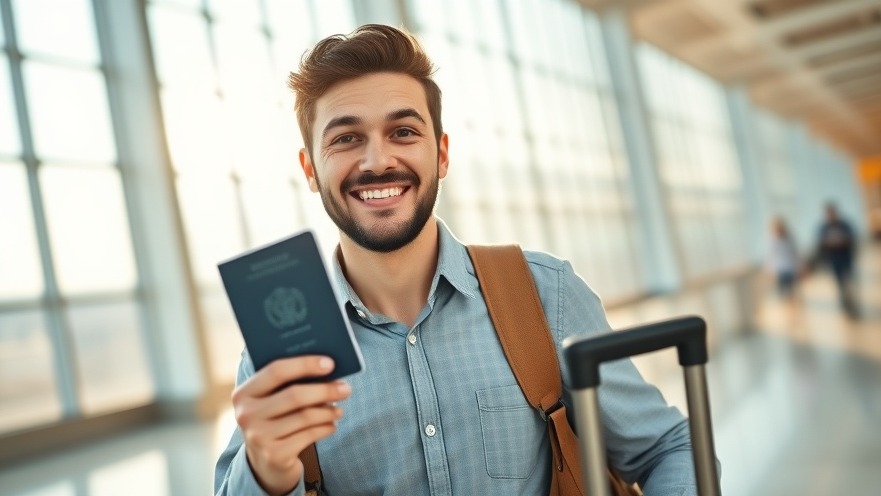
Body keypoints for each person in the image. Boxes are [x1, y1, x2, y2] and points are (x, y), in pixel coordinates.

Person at [214, 24, 704, 496]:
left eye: (403, 131)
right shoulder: (280, 355)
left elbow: (667, 447)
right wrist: (265, 473)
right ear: (310, 169)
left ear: (442, 155)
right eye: (346, 138)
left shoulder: (543, 294)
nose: (377, 161)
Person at [815, 202, 858, 318]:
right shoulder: (823, 228)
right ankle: (845, 305)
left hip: (846, 259)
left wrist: (842, 240)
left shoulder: (844, 225)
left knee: (849, 282)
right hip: (833, 261)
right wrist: (830, 242)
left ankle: (852, 305)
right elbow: (820, 244)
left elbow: (853, 238)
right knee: (839, 284)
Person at [765, 216, 801, 301]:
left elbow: (796, 253)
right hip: (779, 270)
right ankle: (788, 308)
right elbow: (770, 256)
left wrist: (800, 266)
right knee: (783, 293)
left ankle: (793, 308)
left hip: (791, 269)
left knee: (792, 291)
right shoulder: (772, 240)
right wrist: (769, 271)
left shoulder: (790, 238)